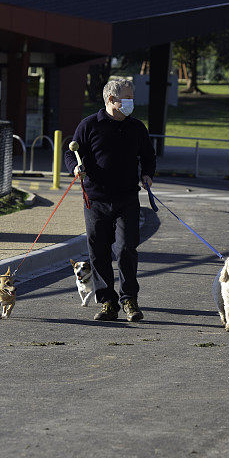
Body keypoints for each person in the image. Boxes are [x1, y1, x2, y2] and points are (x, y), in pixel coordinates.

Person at [64, 78, 156, 322]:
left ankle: (129, 301)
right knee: (99, 252)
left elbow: (148, 156)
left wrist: (147, 174)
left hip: (127, 197)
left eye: (132, 98)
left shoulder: (136, 127)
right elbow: (70, 152)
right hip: (95, 199)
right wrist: (75, 167)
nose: (131, 103)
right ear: (111, 100)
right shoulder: (89, 125)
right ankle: (107, 302)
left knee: (127, 248)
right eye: (127, 98)